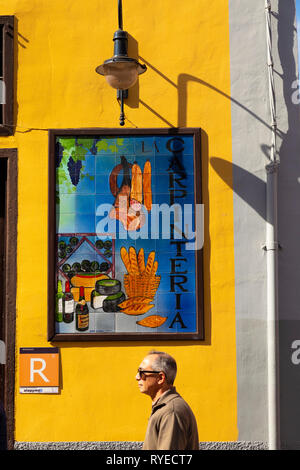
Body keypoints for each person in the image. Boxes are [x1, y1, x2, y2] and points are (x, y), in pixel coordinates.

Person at [136, 350, 199, 450]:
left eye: (142, 372)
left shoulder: (171, 411)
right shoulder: (165, 407)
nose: (137, 377)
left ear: (161, 378)